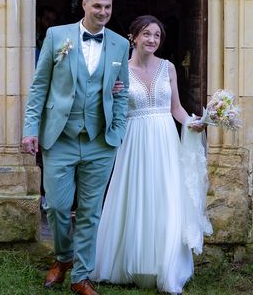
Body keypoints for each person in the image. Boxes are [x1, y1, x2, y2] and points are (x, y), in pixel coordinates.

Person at [22, 0, 130, 295]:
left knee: (89, 210)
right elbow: (39, 87)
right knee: (56, 206)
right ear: (84, 4)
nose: (103, 12)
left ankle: (81, 276)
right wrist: (31, 128)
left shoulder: (120, 45)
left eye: (108, 7)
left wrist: (118, 130)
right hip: (61, 136)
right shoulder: (58, 37)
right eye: (97, 5)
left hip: (101, 141)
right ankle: (63, 258)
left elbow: (122, 93)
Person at [91, 15, 212, 294]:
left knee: (166, 198)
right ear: (133, 36)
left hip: (164, 140)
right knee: (135, 197)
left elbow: (176, 108)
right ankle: (130, 263)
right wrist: (110, 94)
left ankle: (165, 266)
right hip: (134, 141)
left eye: (157, 35)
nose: (152, 40)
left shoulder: (168, 68)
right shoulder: (118, 69)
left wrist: (191, 122)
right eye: (146, 34)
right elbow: (104, 105)